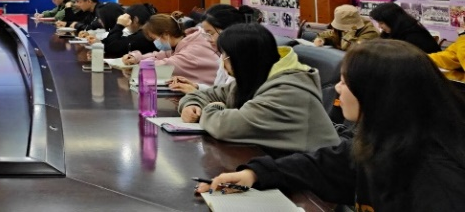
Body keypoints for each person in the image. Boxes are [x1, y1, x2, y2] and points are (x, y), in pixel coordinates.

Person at [199, 41, 465, 212]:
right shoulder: (385, 142)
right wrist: (255, 174)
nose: (337, 89)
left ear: (377, 94)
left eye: (345, 82)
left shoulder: (438, 183)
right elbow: (323, 164)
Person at [178, 24, 339, 153]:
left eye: (225, 57)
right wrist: (191, 105)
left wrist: (210, 109)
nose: (222, 63)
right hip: (278, 165)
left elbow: (226, 126)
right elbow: (209, 94)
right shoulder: (256, 78)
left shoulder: (288, 91)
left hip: (313, 178)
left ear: (241, 59)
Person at [168, 4, 249, 93]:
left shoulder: (241, 58)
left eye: (211, 33)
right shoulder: (224, 55)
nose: (208, 39)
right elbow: (219, 91)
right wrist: (196, 86)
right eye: (205, 34)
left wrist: (194, 92)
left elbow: (230, 98)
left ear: (227, 30)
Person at [122, 14, 219, 85]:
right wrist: (136, 58)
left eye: (155, 39)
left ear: (165, 34)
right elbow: (159, 55)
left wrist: (135, 67)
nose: (155, 42)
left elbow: (166, 65)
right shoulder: (182, 43)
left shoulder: (192, 50)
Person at [369, 2, 440, 53]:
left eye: (381, 23)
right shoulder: (391, 33)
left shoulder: (414, 37)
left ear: (393, 21)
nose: (379, 26)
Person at [313, 4, 379, 50]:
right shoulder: (339, 30)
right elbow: (330, 34)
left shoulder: (370, 32)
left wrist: (350, 34)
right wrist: (321, 39)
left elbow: (354, 49)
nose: (344, 30)